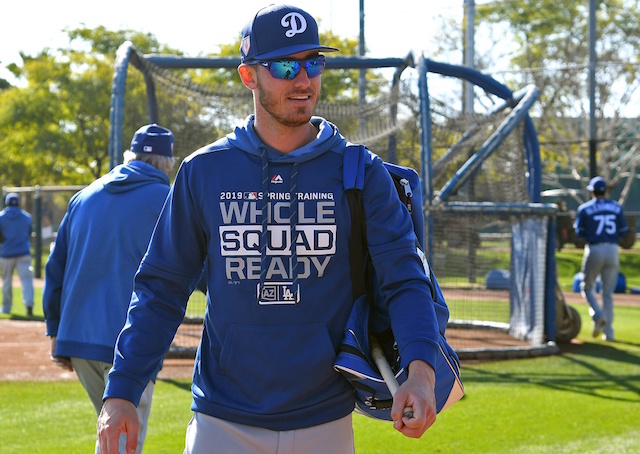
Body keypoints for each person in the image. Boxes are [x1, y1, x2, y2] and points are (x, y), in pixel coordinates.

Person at [98, 5, 440, 453]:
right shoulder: (204, 171)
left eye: (313, 62)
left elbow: (405, 278)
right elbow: (161, 288)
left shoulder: (362, 172)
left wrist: (422, 373)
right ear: (248, 76)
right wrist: (122, 391)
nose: (302, 79)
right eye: (283, 65)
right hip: (222, 422)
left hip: (325, 420)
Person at [43, 124, 176, 453]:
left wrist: (55, 331)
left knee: (112, 437)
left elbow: (55, 269)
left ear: (130, 155)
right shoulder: (168, 199)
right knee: (121, 444)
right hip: (132, 344)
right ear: (168, 163)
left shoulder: (84, 195)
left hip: (79, 340)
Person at [574, 176, 628, 342]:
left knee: (587, 287)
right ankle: (608, 333)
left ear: (591, 191)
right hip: (612, 249)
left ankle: (598, 315)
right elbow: (624, 231)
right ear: (605, 190)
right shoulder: (616, 207)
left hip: (595, 248)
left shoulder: (584, 208)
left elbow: (579, 233)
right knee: (608, 294)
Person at [0, 192, 34, 316]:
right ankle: (29, 304)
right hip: (23, 253)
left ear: (6, 203)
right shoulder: (27, 217)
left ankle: (6, 307)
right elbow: (29, 233)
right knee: (26, 281)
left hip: (6, 253)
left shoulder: (1, 217)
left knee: (7, 282)